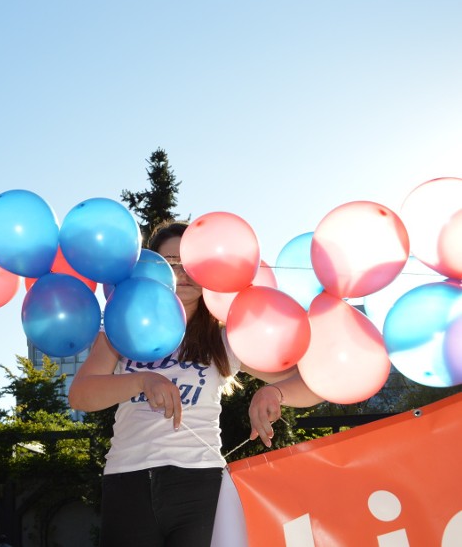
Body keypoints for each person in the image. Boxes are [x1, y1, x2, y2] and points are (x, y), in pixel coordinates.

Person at [68, 220, 323, 547]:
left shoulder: (226, 340)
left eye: (190, 263)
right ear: (150, 271)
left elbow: (316, 383)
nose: (182, 273)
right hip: (127, 481)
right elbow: (80, 395)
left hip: (201, 485)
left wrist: (275, 391)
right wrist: (143, 380)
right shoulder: (122, 328)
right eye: (170, 263)